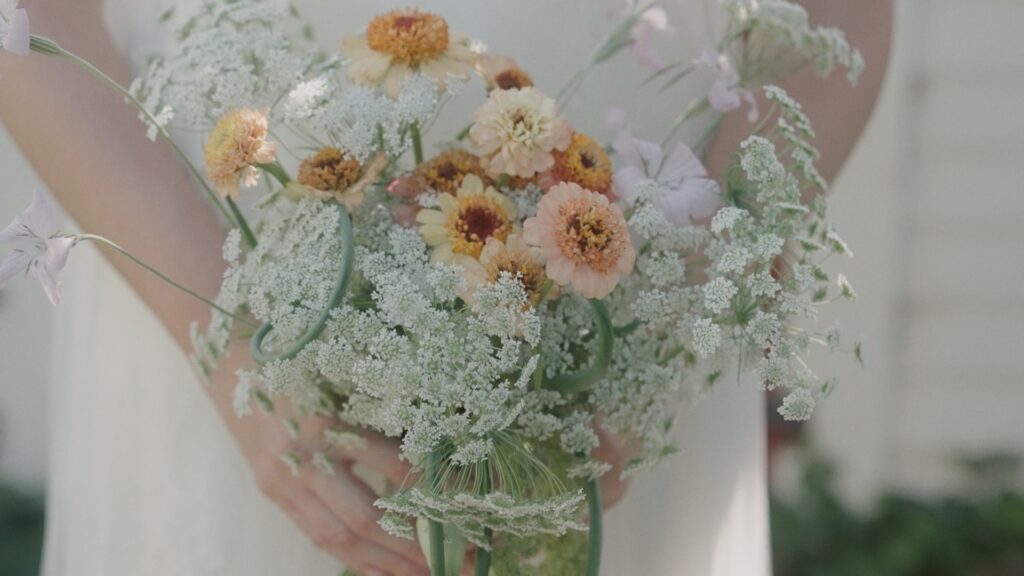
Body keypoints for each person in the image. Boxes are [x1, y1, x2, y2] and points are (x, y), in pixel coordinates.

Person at [0, 1, 891, 574]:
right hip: (206, 260)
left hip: (635, 297)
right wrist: (238, 349)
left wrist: (656, 326)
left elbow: (844, 14)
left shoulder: (647, 320)